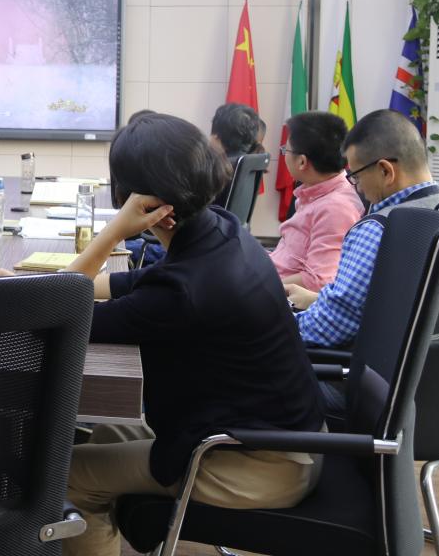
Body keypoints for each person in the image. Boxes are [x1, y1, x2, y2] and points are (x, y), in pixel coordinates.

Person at [50, 113, 324, 556]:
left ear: (138, 200)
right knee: (106, 433)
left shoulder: (183, 294)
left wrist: (114, 232)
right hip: (285, 440)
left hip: (255, 463)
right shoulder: (222, 230)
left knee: (66, 476)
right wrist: (27, 287)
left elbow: (58, 314)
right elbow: (125, 283)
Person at [287, 109, 439, 348]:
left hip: (352, 367)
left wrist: (270, 322)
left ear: (385, 171)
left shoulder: (377, 229)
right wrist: (319, 300)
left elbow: (328, 328)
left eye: (356, 176)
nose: (358, 188)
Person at [269, 112, 362, 291]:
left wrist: (259, 286)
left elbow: (318, 280)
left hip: (280, 297)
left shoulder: (335, 209)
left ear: (302, 162)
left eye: (285, 150)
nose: (284, 154)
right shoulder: (314, 191)